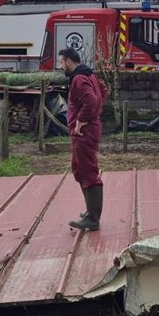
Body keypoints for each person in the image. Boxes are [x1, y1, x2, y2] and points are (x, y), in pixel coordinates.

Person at [58, 47, 109, 231]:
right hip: (89, 128)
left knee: (88, 170)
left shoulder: (79, 79)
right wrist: (95, 113)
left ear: (69, 62)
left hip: (84, 131)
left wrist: (81, 120)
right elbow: (103, 91)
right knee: (79, 168)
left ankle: (93, 218)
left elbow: (92, 100)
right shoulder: (90, 75)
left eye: (62, 62)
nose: (61, 65)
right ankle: (90, 211)